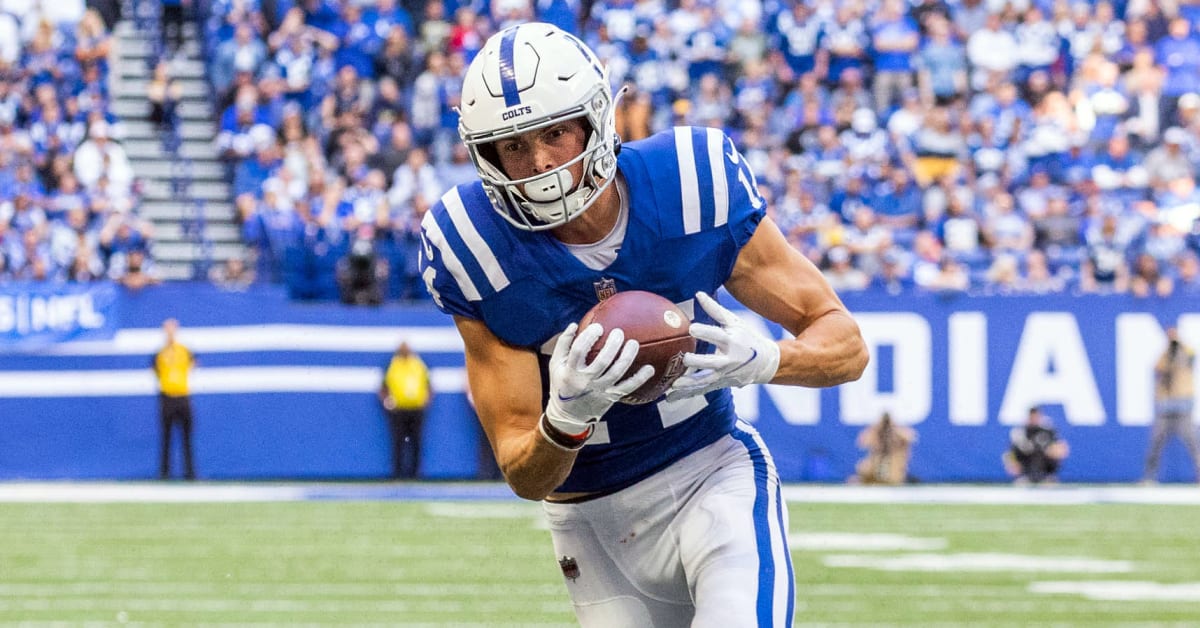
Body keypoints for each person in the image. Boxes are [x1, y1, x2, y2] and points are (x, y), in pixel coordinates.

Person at [418, 23, 868, 626]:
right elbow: (522, 469)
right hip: (589, 523)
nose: (541, 163)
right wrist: (565, 421)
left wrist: (767, 361)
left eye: (555, 132)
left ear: (597, 121)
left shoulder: (690, 182)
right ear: (485, 155)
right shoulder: (471, 247)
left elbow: (846, 344)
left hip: (712, 473)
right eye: (515, 146)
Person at [1142, 327, 1200, 484]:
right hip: (1166, 406)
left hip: (1183, 405)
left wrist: (1178, 344)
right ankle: (1149, 477)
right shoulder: (1164, 355)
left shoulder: (1185, 351)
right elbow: (1158, 369)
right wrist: (1169, 350)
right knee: (1156, 442)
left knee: (1192, 442)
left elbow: (1191, 357)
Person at [378, 341, 432, 479]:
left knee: (416, 443)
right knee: (398, 442)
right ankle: (398, 473)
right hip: (399, 410)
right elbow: (383, 387)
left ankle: (415, 473)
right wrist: (387, 402)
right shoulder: (393, 365)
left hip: (416, 409)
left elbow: (428, 385)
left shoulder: (418, 365)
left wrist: (426, 400)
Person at [153, 318, 196, 480]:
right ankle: (164, 473)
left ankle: (190, 473)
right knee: (166, 437)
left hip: (183, 396)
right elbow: (155, 370)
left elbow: (193, 363)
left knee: (186, 436)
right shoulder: (160, 353)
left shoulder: (184, 350)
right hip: (167, 397)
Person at [1002, 406, 1069, 485]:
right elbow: (1009, 454)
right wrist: (1011, 464)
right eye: (1032, 417)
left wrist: (1052, 451)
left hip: (1046, 474)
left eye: (1036, 416)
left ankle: (1045, 477)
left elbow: (1062, 450)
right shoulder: (1020, 433)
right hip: (1026, 474)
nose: (1034, 419)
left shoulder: (1048, 431)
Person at [851, 412, 916, 485]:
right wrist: (877, 429)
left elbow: (911, 437)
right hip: (876, 468)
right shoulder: (876, 435)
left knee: (893, 470)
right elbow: (862, 442)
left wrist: (893, 429)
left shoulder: (899, 439)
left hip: (893, 469)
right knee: (862, 469)